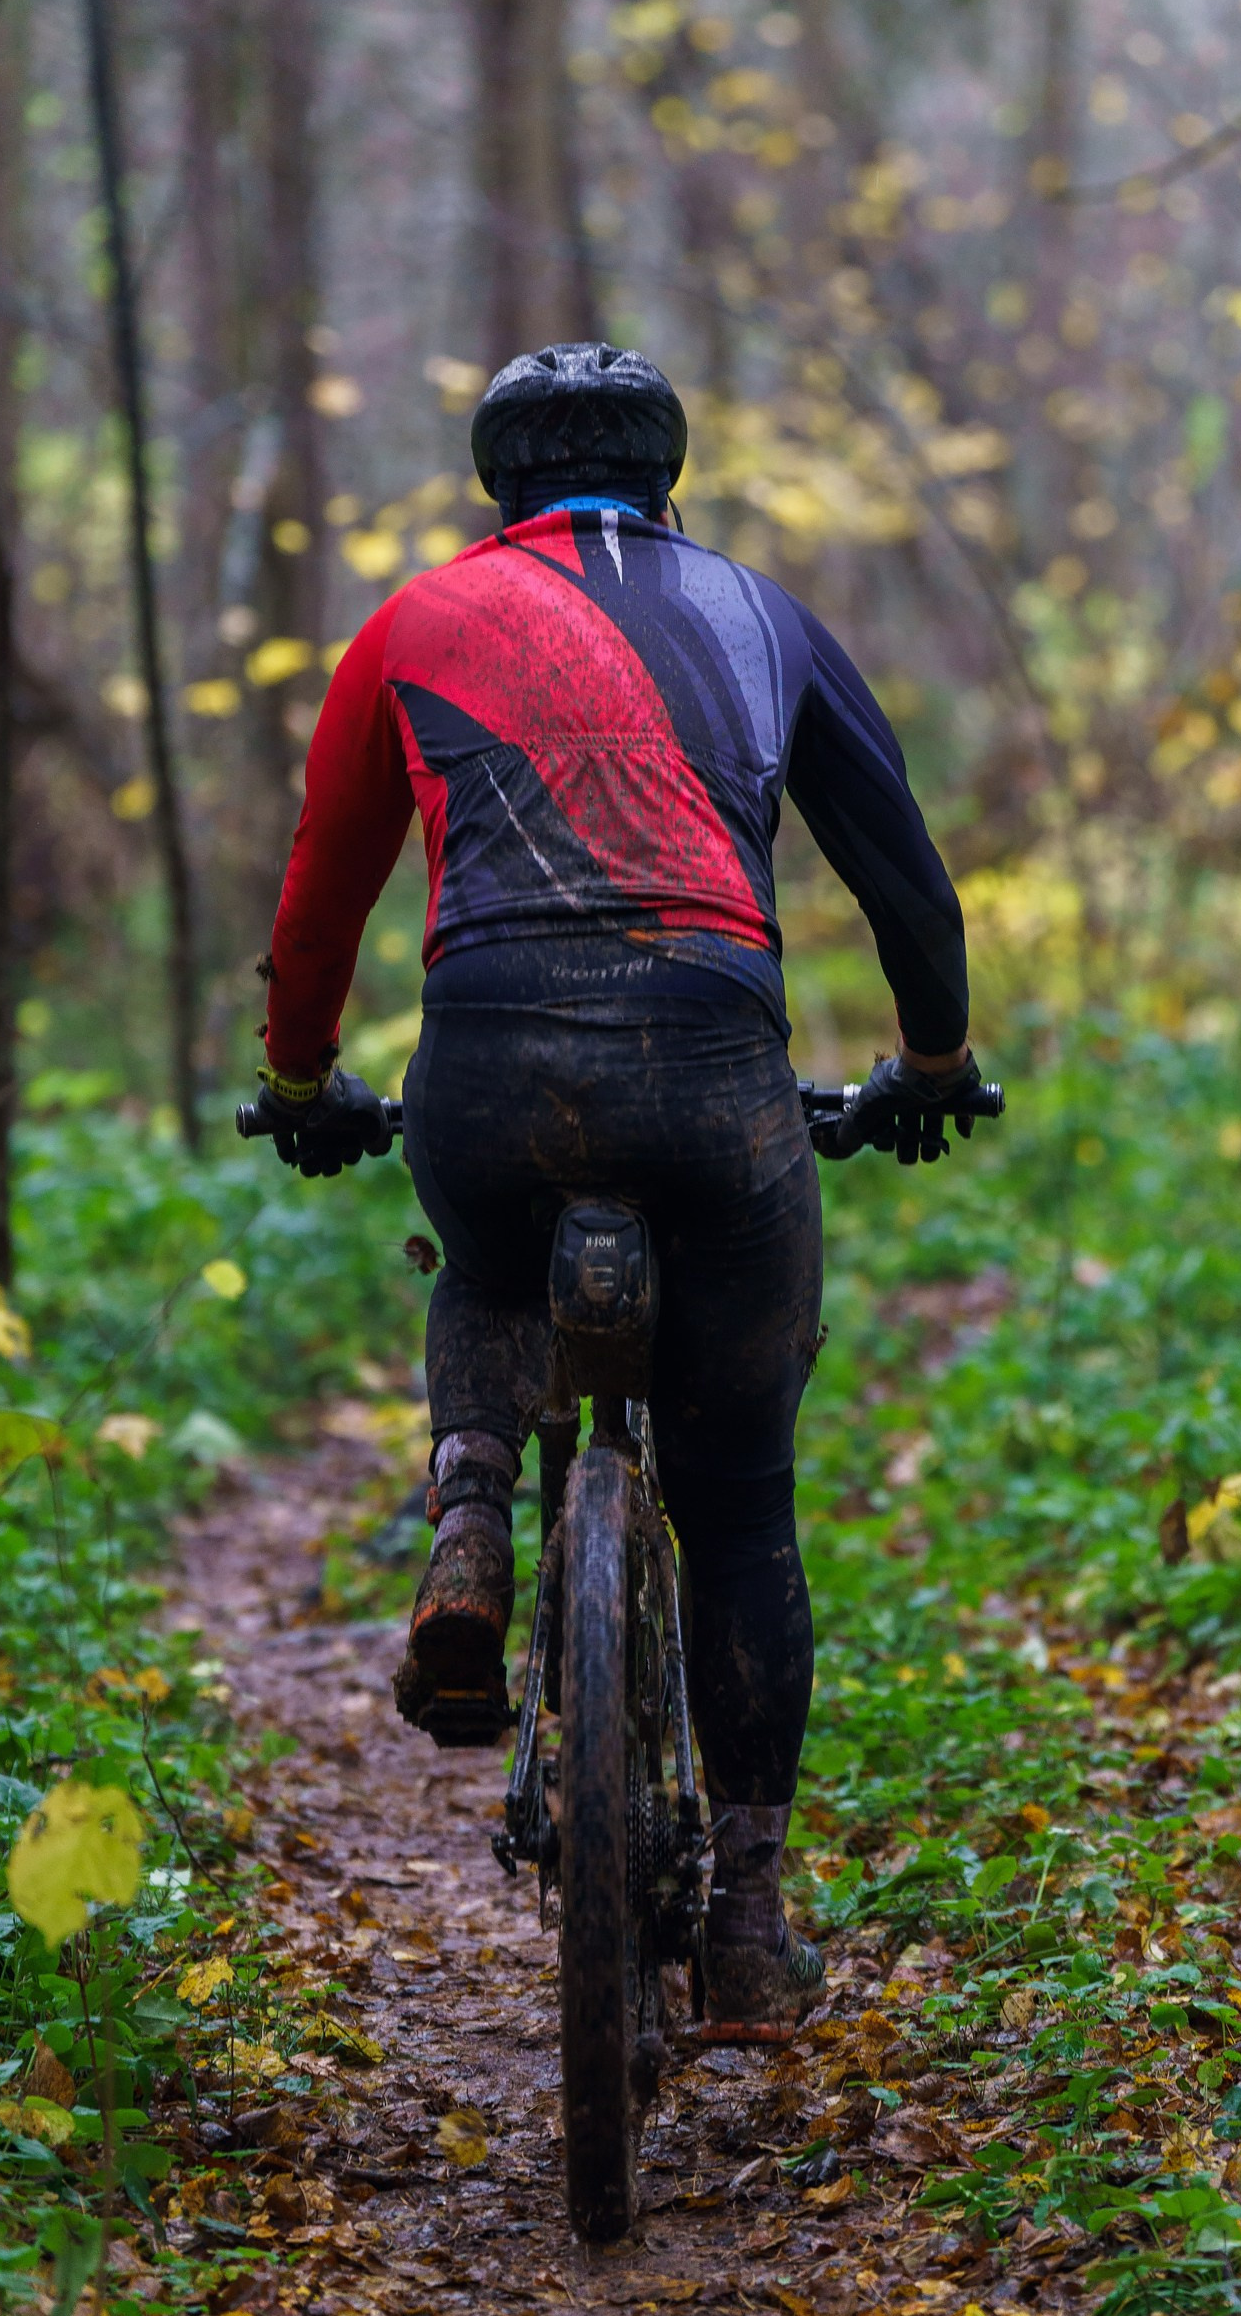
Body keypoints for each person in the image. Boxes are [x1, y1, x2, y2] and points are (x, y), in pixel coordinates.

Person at [252, 342, 986, 2025]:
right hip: (717, 1065)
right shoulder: (763, 616)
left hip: (490, 1059)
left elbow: (322, 895)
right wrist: (932, 1066)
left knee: (488, 1266)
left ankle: (470, 1509)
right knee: (738, 1506)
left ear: (492, 490)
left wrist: (300, 1083)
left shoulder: (413, 625)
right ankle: (744, 1922)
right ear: (673, 479)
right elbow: (906, 883)